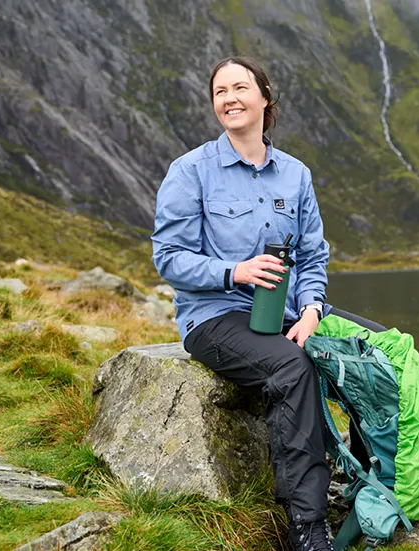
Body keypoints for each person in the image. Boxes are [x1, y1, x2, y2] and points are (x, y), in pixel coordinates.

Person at [151, 56, 338, 551]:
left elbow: (313, 255)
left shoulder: (295, 175)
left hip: (284, 312)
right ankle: (307, 524)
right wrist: (234, 271)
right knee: (292, 368)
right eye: (219, 92)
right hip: (212, 318)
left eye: (240, 87)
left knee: (370, 349)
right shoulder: (191, 171)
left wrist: (313, 309)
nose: (229, 98)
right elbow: (168, 258)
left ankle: (375, 487)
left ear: (264, 97)